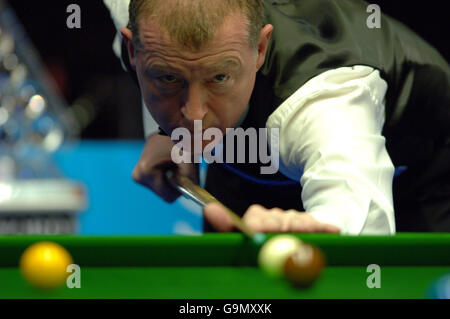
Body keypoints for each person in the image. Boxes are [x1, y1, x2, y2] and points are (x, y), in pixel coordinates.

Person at [104, 0, 449, 234]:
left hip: (422, 173)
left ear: (259, 49)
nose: (194, 114)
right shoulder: (139, 19)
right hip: (252, 150)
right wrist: (172, 137)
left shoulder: (324, 103)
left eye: (219, 77)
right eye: (169, 78)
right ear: (134, 50)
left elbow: (357, 215)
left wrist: (324, 230)